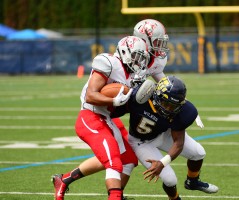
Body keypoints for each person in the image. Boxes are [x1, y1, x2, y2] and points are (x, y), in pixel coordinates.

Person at [51, 18, 170, 200]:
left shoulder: (133, 73)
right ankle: (114, 196)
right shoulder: (108, 62)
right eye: (137, 57)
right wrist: (115, 100)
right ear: (125, 52)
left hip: (107, 117)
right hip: (90, 115)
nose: (139, 63)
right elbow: (91, 95)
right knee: (113, 161)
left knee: (129, 160)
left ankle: (68, 181)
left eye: (142, 59)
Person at [113, 76, 219, 200]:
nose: (169, 109)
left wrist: (162, 163)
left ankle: (192, 181)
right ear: (157, 95)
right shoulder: (140, 97)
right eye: (166, 104)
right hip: (141, 142)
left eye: (174, 106)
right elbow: (114, 112)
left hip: (164, 134)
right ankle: (174, 198)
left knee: (199, 153)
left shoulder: (183, 111)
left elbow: (178, 143)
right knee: (170, 180)